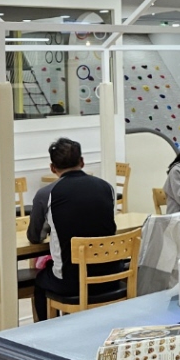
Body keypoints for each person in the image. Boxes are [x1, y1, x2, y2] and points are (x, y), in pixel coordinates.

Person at [27, 137, 118, 321]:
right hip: (111, 276)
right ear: (82, 162)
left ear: (53, 168)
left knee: (41, 280)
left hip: (71, 282)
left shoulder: (46, 194)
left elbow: (35, 236)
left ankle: (46, 332)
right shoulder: (106, 188)